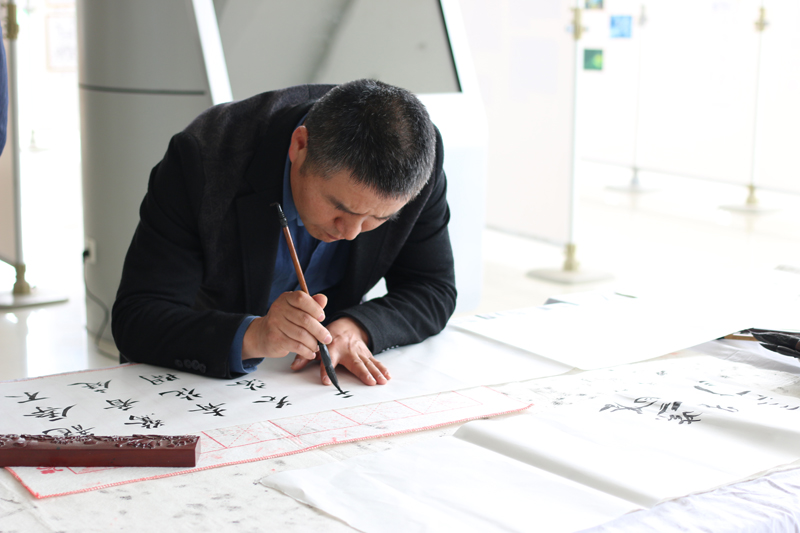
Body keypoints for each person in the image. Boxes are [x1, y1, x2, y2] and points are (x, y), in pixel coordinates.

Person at [112, 79, 456, 387]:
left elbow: (432, 287)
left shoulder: (416, 161)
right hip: (203, 378)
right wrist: (255, 335)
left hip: (306, 386)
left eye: (378, 218)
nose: (351, 233)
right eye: (339, 207)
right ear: (299, 145)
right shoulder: (204, 158)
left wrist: (357, 327)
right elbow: (138, 319)